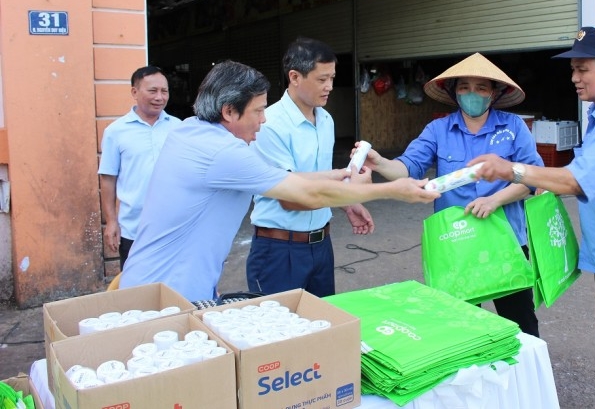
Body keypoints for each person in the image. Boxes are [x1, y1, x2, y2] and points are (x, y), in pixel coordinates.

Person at [469, 27, 595, 409]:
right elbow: (577, 178)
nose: (574, 78)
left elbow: (576, 180)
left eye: (582, 69)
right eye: (573, 70)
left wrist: (511, 170)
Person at [119, 60, 437, 302]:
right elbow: (304, 193)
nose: (264, 120)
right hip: (165, 297)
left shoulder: (192, 130)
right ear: (229, 111)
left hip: (159, 285)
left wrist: (339, 174)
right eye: (258, 111)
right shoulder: (223, 152)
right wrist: (393, 190)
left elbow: (283, 178)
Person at [356, 52, 545, 337]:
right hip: (456, 243)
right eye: (464, 87)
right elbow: (407, 167)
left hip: (506, 241)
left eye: (481, 88)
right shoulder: (438, 129)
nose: (472, 94)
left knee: (520, 325)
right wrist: (380, 162)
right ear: (454, 92)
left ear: (494, 93)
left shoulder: (513, 127)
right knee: (460, 327)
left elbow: (532, 177)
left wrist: (495, 200)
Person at [246, 37, 374, 298]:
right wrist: (348, 190)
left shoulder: (325, 120)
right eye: (322, 79)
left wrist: (347, 204)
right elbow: (291, 198)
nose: (330, 87)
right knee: (280, 323)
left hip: (321, 245)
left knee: (322, 319)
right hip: (279, 250)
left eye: (332, 78)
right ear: (294, 77)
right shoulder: (270, 125)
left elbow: (318, 180)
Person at [98, 66, 179, 269]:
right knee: (136, 283)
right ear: (134, 92)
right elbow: (108, 179)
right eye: (153, 91)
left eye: (164, 91)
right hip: (133, 228)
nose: (159, 97)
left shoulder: (179, 128)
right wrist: (111, 221)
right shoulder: (116, 132)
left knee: (172, 282)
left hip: (173, 227)